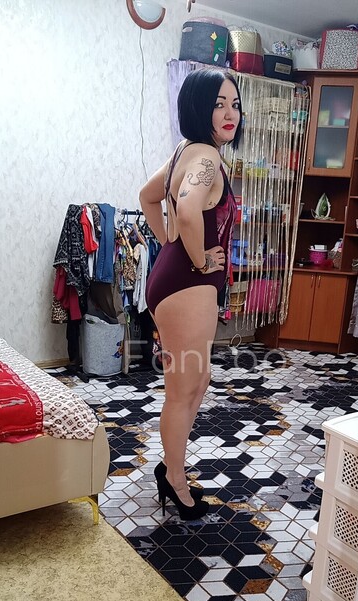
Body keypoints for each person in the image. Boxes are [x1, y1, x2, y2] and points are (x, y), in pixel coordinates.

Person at [139, 68, 242, 521]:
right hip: (188, 284)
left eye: (235, 104)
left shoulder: (187, 151)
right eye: (218, 104)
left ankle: (173, 467)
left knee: (197, 381)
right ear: (198, 107)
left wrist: (170, 246)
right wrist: (197, 260)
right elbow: (185, 210)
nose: (230, 113)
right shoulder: (206, 158)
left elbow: (147, 197)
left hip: (178, 280)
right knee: (182, 391)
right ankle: (175, 481)